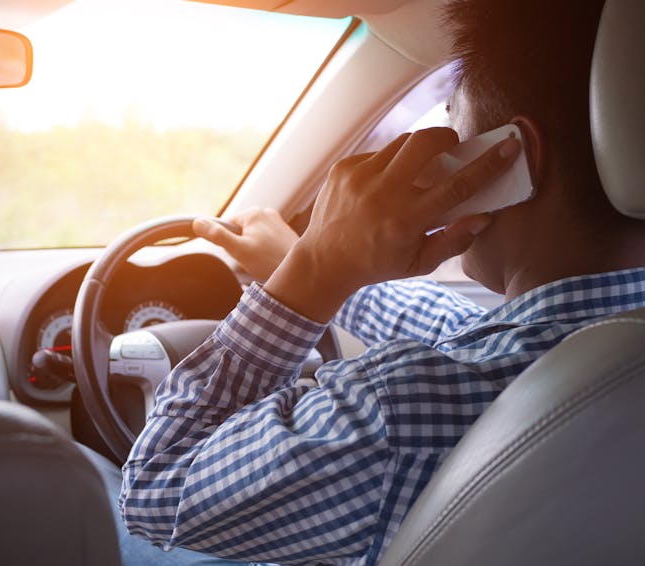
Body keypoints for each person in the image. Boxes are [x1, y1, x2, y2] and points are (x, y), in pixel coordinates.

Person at [119, 0, 645, 564]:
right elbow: (478, 334)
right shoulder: (593, 345)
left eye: (460, 142)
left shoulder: (393, 412)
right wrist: (306, 260)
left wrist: (316, 273)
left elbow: (155, 489)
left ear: (513, 160)